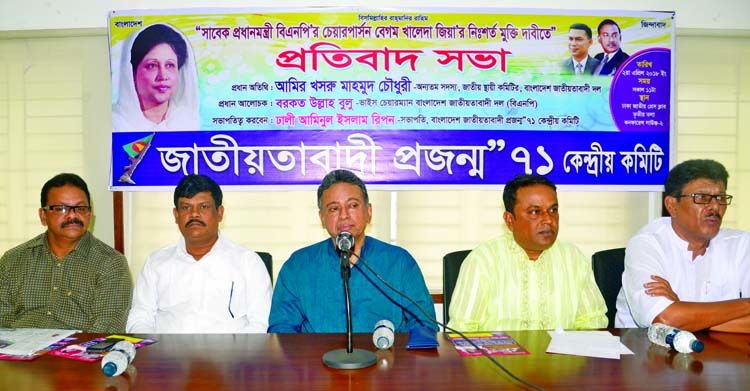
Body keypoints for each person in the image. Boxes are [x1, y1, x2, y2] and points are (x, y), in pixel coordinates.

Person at [268, 169, 436, 333]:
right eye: (334, 208)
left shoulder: (399, 261)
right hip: (317, 359)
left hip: (386, 357)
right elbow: (281, 330)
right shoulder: (298, 266)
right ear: (322, 219)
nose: (344, 216)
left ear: (369, 212)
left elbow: (424, 325)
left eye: (353, 205)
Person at [448, 174, 607, 331]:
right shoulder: (483, 260)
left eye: (553, 210)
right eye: (535, 212)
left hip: (562, 356)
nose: (548, 220)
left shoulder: (573, 258)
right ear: (510, 220)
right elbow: (462, 330)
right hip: (499, 357)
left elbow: (593, 321)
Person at [615, 159, 750, 332]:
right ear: (672, 205)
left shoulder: (741, 244)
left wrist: (686, 315)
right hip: (648, 354)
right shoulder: (648, 244)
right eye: (702, 198)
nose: (715, 207)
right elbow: (663, 320)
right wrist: (746, 305)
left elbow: (675, 320)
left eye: (721, 198)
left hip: (720, 355)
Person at [126, 174, 271, 333]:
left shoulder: (248, 262)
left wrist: (230, 354)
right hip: (168, 354)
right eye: (186, 207)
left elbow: (261, 322)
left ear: (220, 213)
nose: (194, 214)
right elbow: (141, 316)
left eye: (203, 207)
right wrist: (153, 351)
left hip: (231, 354)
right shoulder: (156, 263)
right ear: (176, 215)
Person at [0, 173, 132, 332]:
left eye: (81, 208)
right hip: (17, 352)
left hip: (75, 353)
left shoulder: (110, 263)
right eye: (61, 208)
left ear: (89, 214)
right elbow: (3, 322)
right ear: (43, 216)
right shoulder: (13, 260)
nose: (72, 215)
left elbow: (107, 328)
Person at [112, 23, 199, 132]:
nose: (163, 76)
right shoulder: (115, 123)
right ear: (132, 73)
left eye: (169, 65)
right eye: (152, 66)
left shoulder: (188, 121)